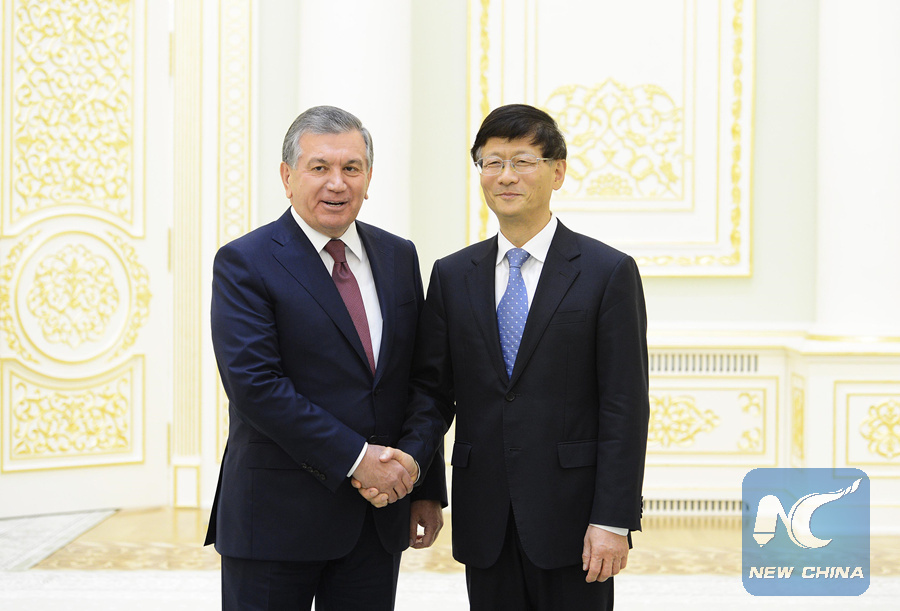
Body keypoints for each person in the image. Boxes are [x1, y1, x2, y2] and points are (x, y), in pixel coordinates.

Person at [362, 103, 649, 609]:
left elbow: (624, 405)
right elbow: (431, 394)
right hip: (485, 514)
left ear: (557, 172)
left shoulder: (606, 272)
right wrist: (424, 487)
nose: (506, 176)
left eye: (523, 161)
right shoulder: (453, 275)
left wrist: (613, 518)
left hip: (574, 517)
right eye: (492, 163)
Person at [205, 105, 446, 610]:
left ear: (368, 177)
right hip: (275, 521)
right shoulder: (244, 262)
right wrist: (360, 461)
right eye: (319, 167)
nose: (337, 183)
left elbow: (423, 379)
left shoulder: (399, 256)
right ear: (287, 176)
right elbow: (256, 386)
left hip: (376, 520)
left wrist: (418, 478)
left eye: (351, 168)